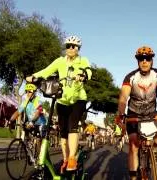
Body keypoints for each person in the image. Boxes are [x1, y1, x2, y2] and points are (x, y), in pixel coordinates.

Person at [26, 35, 92, 173]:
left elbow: (88, 70)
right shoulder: (60, 61)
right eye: (68, 46)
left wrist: (84, 75)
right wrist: (33, 76)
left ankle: (73, 158)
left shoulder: (82, 60)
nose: (70, 48)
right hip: (61, 99)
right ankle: (66, 158)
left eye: (73, 46)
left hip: (78, 99)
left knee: (73, 127)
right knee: (63, 133)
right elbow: (46, 71)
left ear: (78, 48)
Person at [117, 46, 157, 179]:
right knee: (133, 144)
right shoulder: (131, 77)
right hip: (133, 113)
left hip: (151, 112)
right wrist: (121, 114)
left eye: (148, 58)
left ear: (152, 61)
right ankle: (133, 177)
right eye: (141, 59)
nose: (144, 61)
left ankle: (154, 150)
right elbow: (123, 97)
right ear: (137, 61)